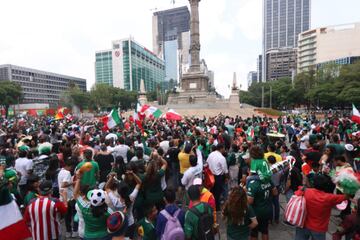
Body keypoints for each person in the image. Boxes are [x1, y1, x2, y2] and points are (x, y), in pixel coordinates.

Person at [295, 174, 349, 240]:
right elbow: (347, 196)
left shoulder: (305, 191)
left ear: (314, 183)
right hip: (319, 228)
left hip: (302, 224)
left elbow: (296, 193)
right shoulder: (329, 198)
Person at [73, 169, 113, 240]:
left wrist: (79, 178)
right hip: (104, 236)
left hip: (88, 237)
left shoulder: (84, 207)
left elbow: (75, 194)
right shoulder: (108, 212)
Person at [247, 173, 277, 240]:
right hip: (267, 210)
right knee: (265, 231)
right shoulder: (268, 180)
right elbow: (275, 192)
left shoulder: (253, 183)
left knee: (254, 233)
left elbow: (250, 201)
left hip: (256, 212)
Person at [58, 158, 78, 238]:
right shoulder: (67, 173)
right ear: (71, 166)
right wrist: (75, 182)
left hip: (63, 197)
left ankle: (68, 231)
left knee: (67, 216)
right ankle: (74, 231)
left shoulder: (61, 172)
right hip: (69, 198)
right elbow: (64, 185)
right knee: (75, 215)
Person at [207, 143, 228, 211]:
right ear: (221, 148)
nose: (224, 150)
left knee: (212, 191)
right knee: (217, 193)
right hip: (218, 177)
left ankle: (211, 205)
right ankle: (217, 208)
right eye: (224, 148)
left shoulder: (211, 154)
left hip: (210, 176)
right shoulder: (222, 158)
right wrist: (226, 178)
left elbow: (207, 163)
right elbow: (225, 170)